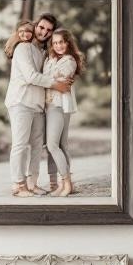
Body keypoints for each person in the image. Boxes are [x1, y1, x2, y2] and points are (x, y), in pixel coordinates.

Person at [3, 15, 71, 197]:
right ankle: (18, 185)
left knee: (35, 146)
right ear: (35, 26)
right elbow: (31, 76)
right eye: (41, 27)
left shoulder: (42, 52)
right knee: (20, 144)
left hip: (37, 106)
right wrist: (57, 84)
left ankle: (32, 184)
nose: (44, 32)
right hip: (21, 102)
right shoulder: (23, 48)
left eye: (48, 30)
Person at [43, 28, 85, 197]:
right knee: (61, 145)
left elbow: (58, 79)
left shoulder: (69, 60)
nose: (58, 45)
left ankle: (66, 182)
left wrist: (48, 78)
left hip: (59, 105)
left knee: (52, 145)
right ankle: (65, 184)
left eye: (61, 42)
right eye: (55, 43)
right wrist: (50, 78)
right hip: (51, 105)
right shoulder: (51, 59)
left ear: (68, 43)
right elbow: (51, 78)